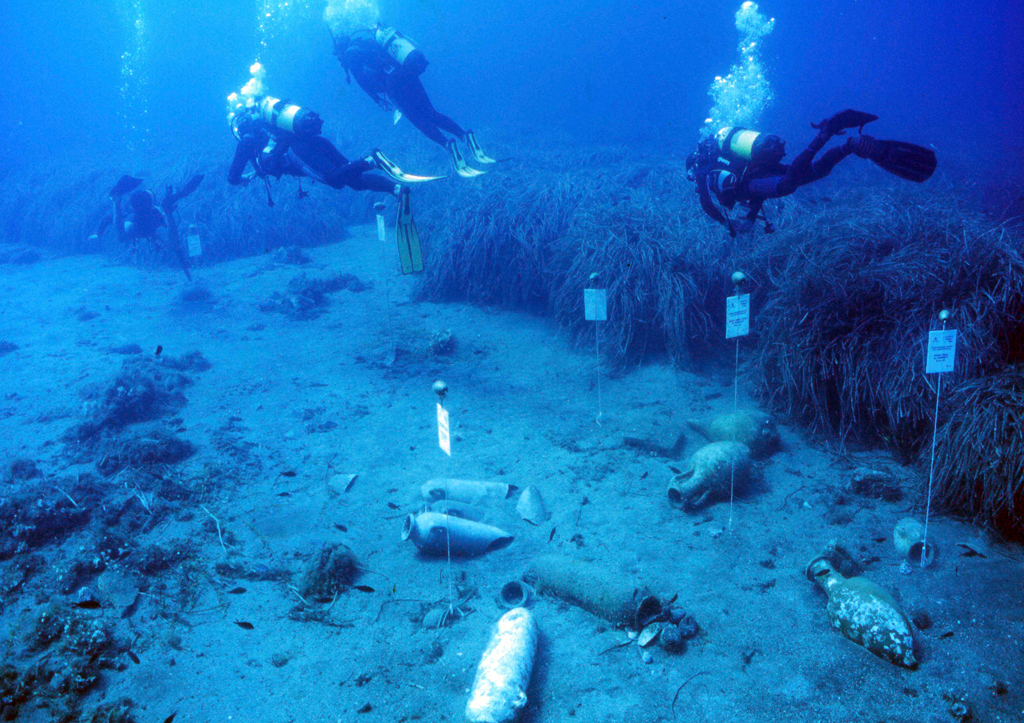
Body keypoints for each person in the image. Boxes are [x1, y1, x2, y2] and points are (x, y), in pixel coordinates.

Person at [226, 94, 425, 273]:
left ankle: (372, 160)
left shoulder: (247, 141)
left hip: (298, 153)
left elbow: (233, 178)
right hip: (316, 142)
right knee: (353, 180)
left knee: (336, 180)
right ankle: (397, 189)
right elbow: (271, 156)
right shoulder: (269, 128)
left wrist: (243, 177)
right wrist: (255, 172)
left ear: (239, 128)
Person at [687, 109, 938, 237]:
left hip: (750, 180)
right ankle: (848, 146)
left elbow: (709, 205)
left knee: (788, 184)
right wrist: (751, 218)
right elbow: (755, 191)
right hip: (756, 174)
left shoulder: (702, 172)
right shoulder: (725, 159)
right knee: (813, 173)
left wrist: (726, 225)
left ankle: (823, 136)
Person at [332, 25, 495, 178]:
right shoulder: (369, 42)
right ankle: (465, 136)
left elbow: (363, 82)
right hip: (407, 73)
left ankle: (448, 145)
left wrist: (378, 100)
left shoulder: (350, 54)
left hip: (393, 83)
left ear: (340, 48)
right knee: (432, 112)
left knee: (418, 120)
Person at [97, 174, 202, 281]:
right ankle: (169, 210)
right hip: (153, 223)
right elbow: (174, 244)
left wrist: (99, 233)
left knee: (122, 237)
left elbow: (109, 222)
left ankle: (116, 200)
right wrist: (169, 213)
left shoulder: (133, 215)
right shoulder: (156, 214)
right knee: (173, 245)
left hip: (135, 220)